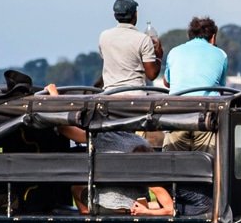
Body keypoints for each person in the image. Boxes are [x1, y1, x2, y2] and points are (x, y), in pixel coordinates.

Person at [46, 84, 173, 216]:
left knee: (76, 188)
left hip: (108, 208)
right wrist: (146, 210)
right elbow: (168, 205)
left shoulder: (102, 137)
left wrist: (54, 95)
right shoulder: (142, 143)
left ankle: (87, 213)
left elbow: (64, 128)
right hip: (137, 206)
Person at [162, 16, 228, 154]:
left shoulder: (174, 51)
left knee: (172, 164)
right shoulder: (221, 54)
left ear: (189, 35)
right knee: (207, 165)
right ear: (213, 37)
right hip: (205, 116)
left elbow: (167, 82)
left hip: (176, 115)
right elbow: (220, 88)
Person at [98, 0, 163, 92]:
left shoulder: (104, 36)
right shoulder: (143, 39)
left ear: (115, 16)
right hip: (135, 96)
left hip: (109, 94)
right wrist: (158, 56)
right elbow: (152, 75)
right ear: (135, 15)